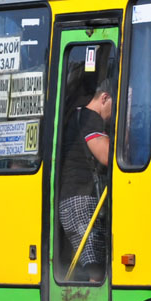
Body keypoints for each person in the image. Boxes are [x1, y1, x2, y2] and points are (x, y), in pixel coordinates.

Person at [58, 79, 114, 281]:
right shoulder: (89, 118)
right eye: (113, 107)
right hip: (82, 202)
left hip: (73, 201)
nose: (112, 116)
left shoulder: (76, 116)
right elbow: (107, 155)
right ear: (104, 98)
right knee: (96, 271)